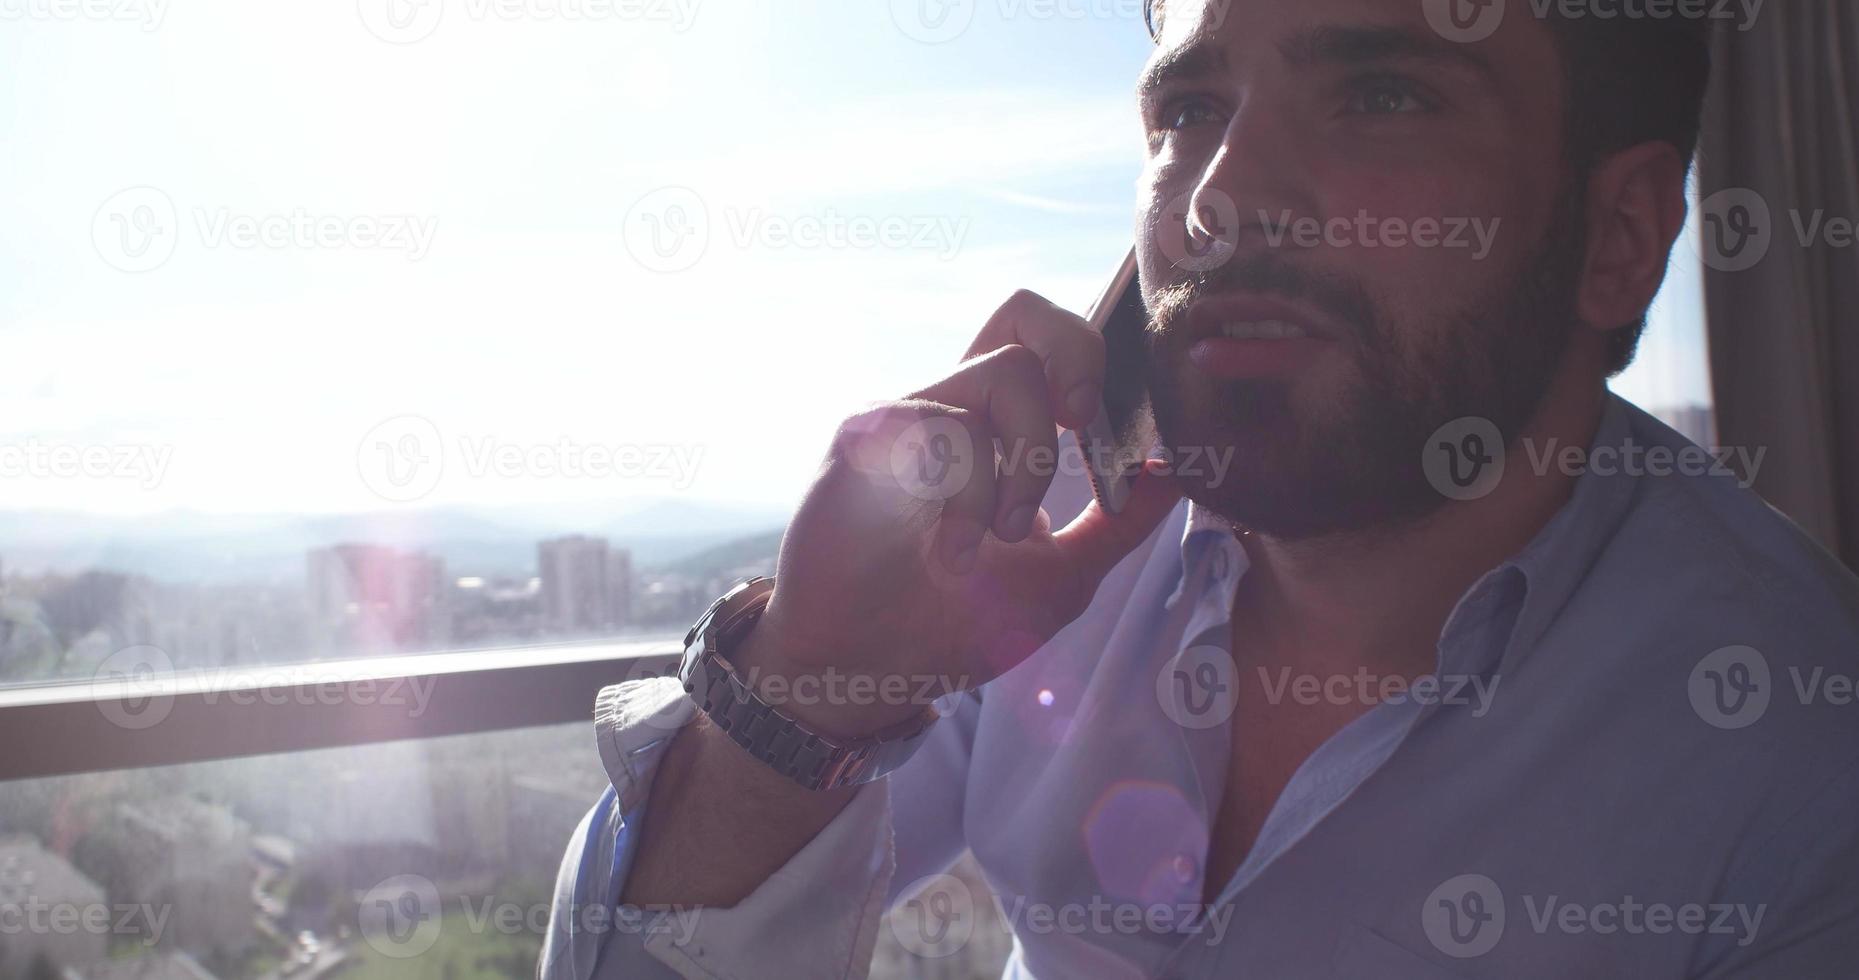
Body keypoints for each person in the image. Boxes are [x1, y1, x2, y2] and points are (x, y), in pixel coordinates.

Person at [544, 0, 1859, 975]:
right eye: (1187, 112)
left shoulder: (1799, 756)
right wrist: (801, 690)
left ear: (1620, 237)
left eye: (1385, 91)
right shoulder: (1026, 543)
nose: (1220, 204)